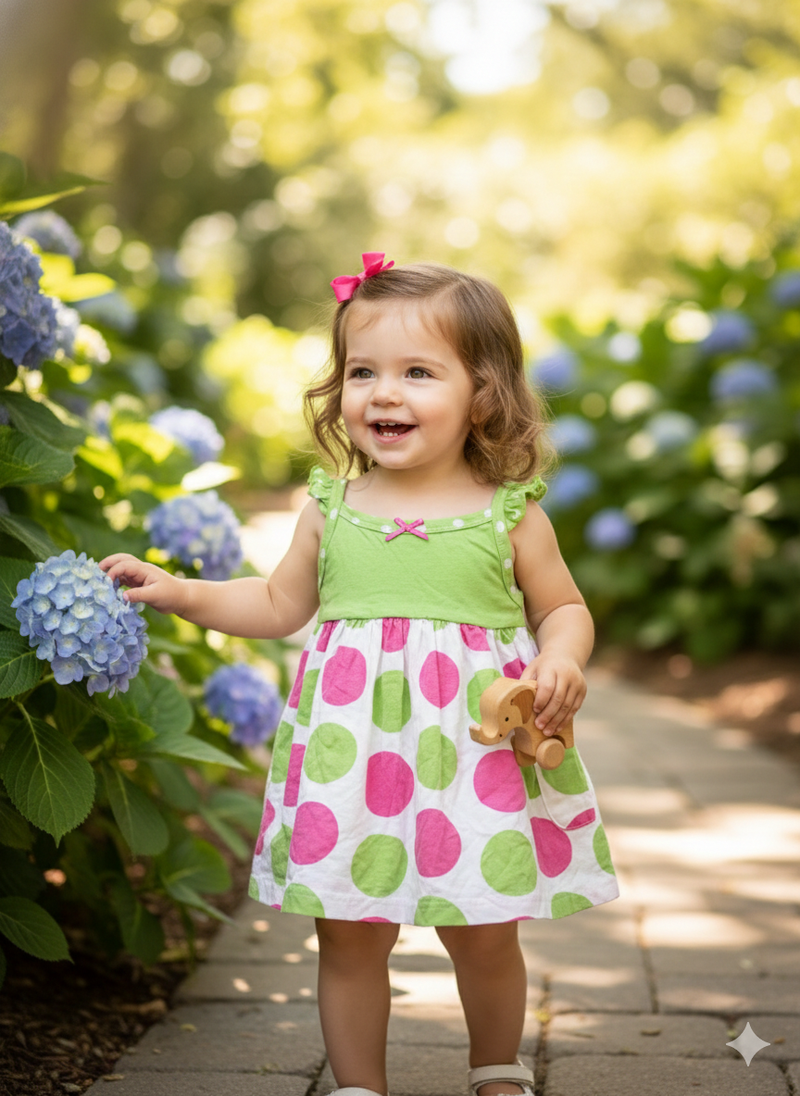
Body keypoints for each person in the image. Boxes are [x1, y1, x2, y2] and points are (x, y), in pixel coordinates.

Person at [100, 253, 619, 1096]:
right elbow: (277, 603)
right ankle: (356, 1086)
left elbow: (563, 607)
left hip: (474, 756)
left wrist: (560, 655)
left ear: (483, 394)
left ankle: (497, 1070)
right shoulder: (331, 508)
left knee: (485, 928)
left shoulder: (508, 514)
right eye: (362, 371)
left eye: (418, 372)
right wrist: (182, 591)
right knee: (346, 930)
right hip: (353, 759)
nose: (383, 394)